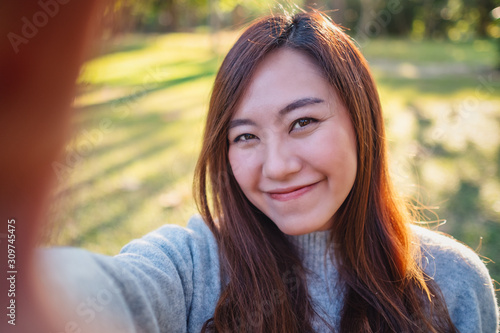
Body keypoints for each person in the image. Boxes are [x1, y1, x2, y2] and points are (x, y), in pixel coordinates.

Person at [33, 10, 498, 333]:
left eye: (303, 122)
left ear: (362, 123)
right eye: (246, 137)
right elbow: (106, 292)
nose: (277, 167)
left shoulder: (454, 282)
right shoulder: (193, 268)